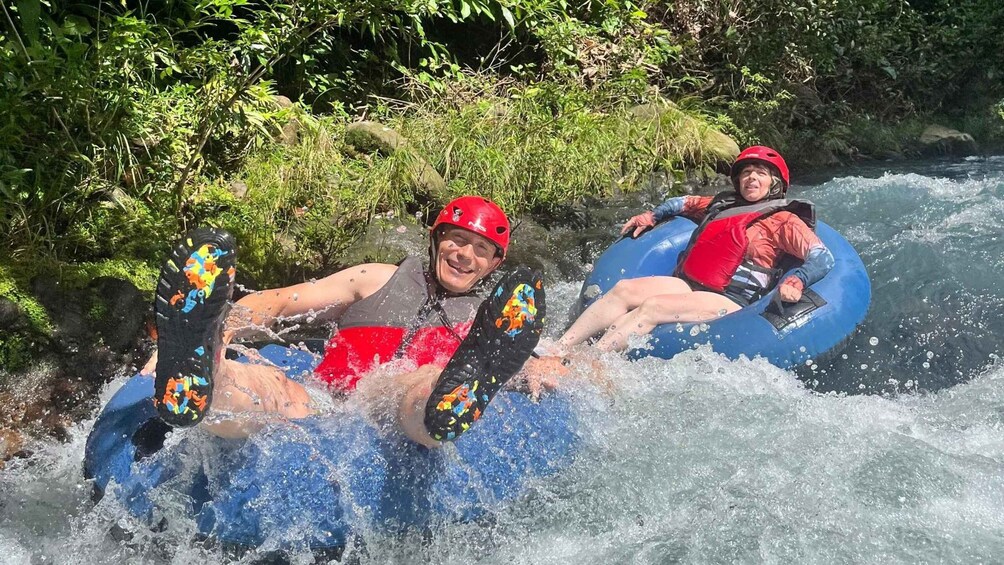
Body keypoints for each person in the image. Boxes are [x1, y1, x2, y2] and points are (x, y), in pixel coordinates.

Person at [146, 196, 545, 448]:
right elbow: (283, 302)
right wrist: (229, 326)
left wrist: (543, 367)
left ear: (494, 263)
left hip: (399, 414)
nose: (463, 254)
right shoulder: (376, 277)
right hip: (323, 402)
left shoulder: (494, 318)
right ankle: (204, 369)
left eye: (480, 249)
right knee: (272, 386)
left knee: (416, 382)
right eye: (455, 239)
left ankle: (446, 408)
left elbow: (523, 362)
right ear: (435, 239)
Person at [551, 145, 834, 352]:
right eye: (746, 172)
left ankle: (587, 366)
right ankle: (558, 349)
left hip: (731, 300)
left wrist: (797, 280)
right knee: (625, 289)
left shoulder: (783, 220)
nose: (751, 178)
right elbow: (682, 202)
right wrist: (652, 215)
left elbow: (822, 258)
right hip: (689, 285)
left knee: (653, 307)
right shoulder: (722, 206)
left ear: (774, 183)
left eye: (760, 173)